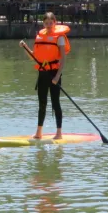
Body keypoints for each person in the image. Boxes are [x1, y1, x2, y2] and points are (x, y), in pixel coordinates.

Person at [20, 12, 70, 140]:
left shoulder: (59, 37)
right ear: (43, 23)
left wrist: (57, 76)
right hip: (42, 73)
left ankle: (59, 133)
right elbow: (34, 57)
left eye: (51, 23)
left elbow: (63, 59)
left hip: (54, 73)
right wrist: (25, 47)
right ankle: (38, 133)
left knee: (55, 103)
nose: (48, 25)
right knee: (42, 103)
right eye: (46, 23)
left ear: (55, 22)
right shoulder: (40, 37)